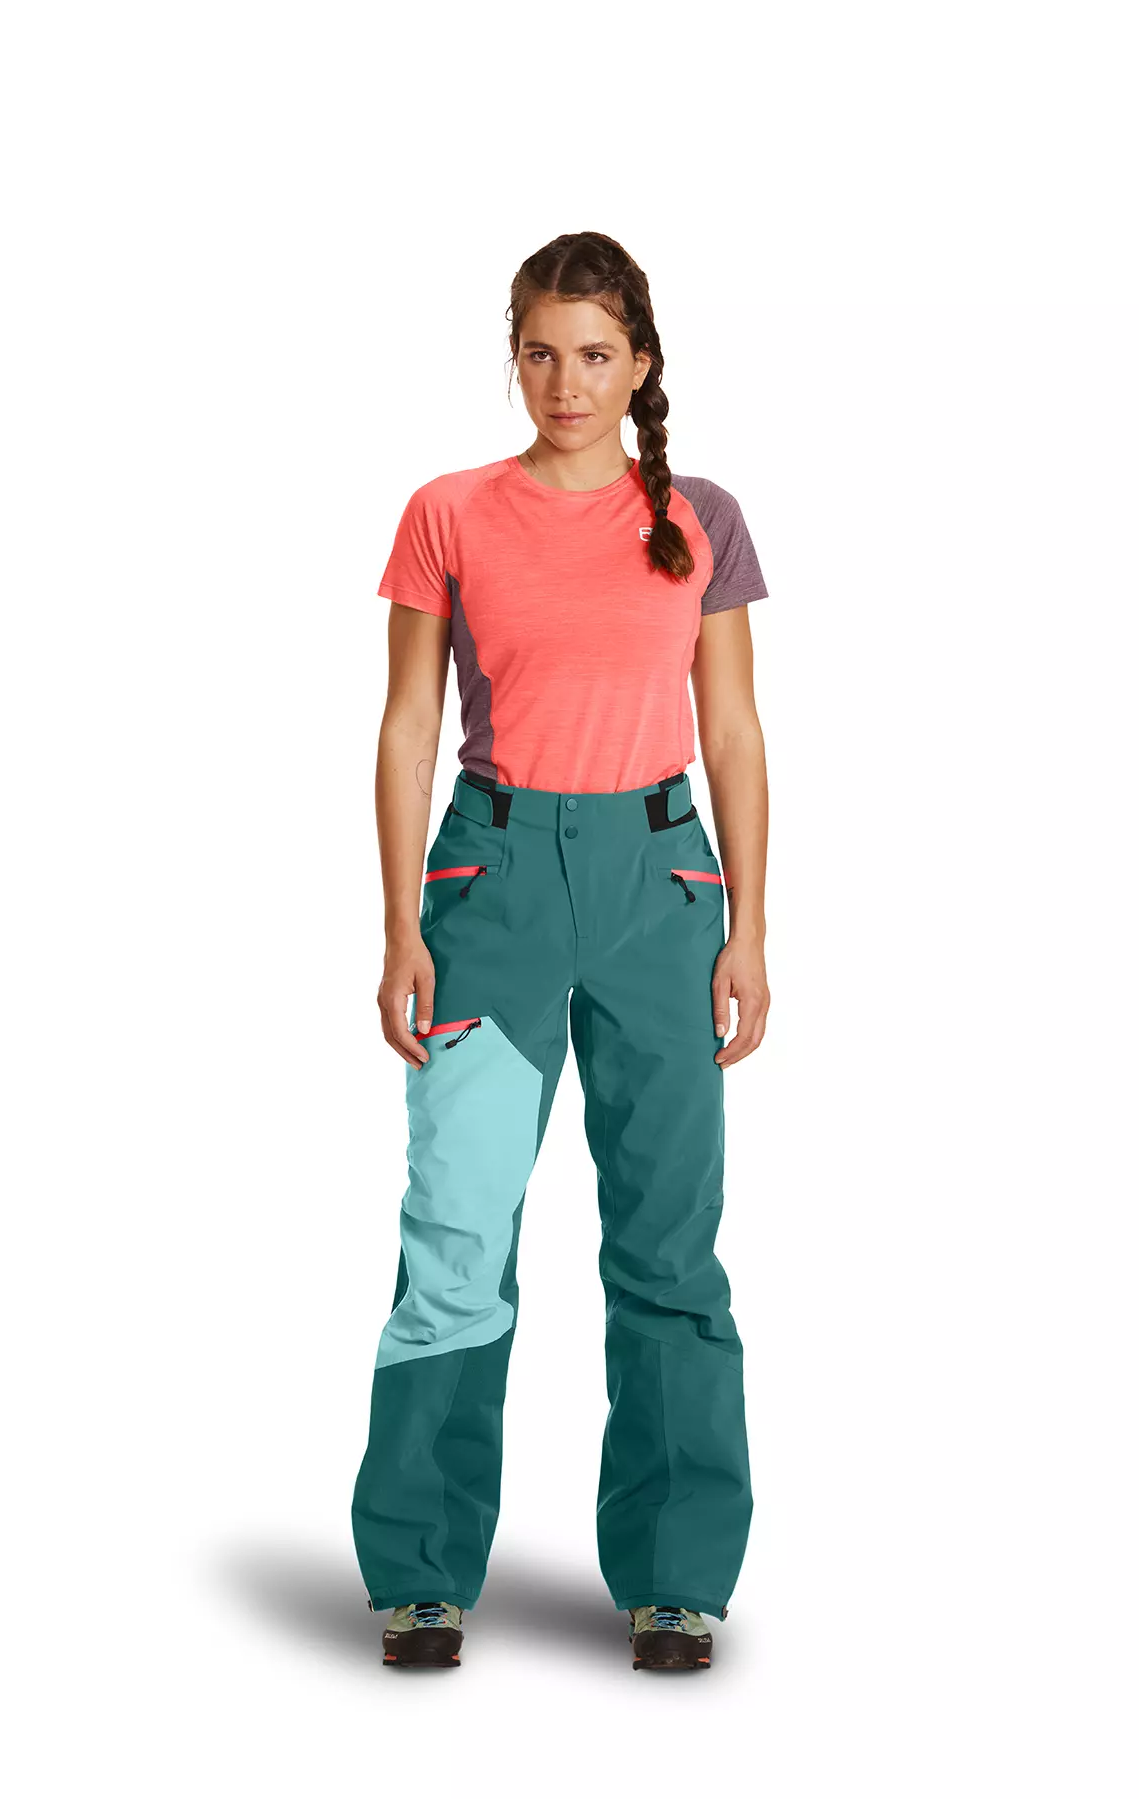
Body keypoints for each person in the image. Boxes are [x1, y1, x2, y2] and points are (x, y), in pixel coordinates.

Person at [351, 231, 770, 1672]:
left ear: (640, 364)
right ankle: (420, 1570)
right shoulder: (449, 512)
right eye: (541, 352)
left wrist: (751, 926)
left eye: (596, 354)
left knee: (668, 1243)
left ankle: (677, 1577)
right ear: (513, 357)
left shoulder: (699, 517)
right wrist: (399, 924)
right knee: (457, 1234)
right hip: (495, 882)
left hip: (664, 884)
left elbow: (733, 730)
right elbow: (409, 722)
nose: (567, 381)